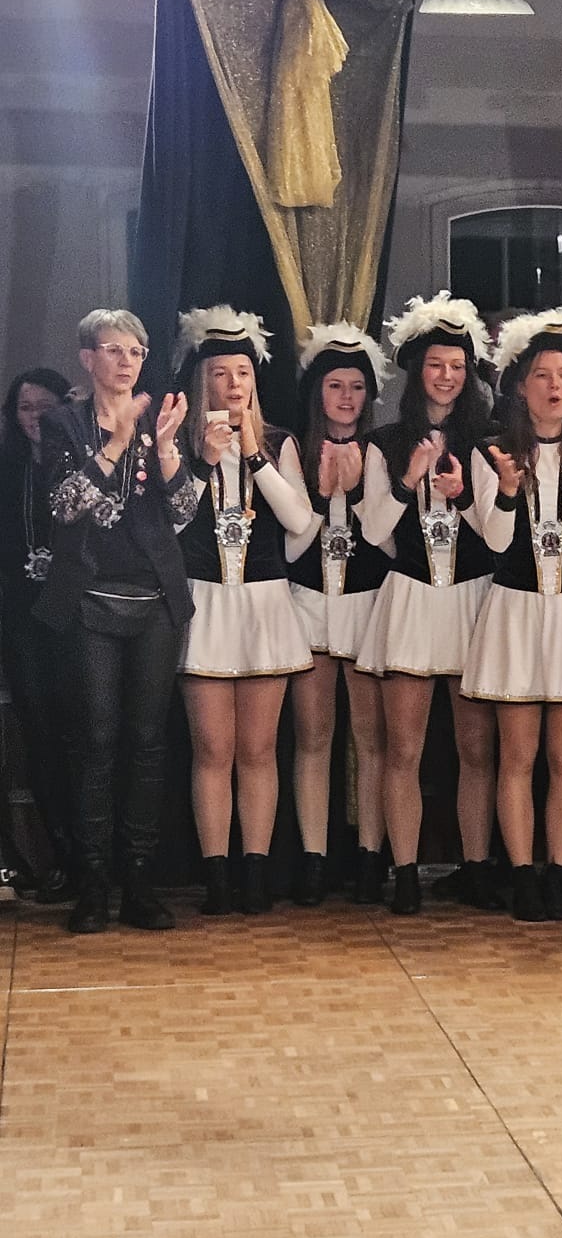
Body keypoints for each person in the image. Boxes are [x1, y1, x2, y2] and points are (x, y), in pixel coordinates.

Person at [35, 309, 196, 932]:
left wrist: (168, 451)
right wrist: (115, 443)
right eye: (114, 350)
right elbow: (64, 505)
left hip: (154, 600)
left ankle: (139, 881)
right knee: (97, 742)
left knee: (148, 743)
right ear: (87, 358)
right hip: (88, 601)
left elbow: (183, 513)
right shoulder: (63, 422)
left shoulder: (159, 419)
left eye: (137, 351)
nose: (127, 362)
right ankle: (93, 885)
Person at [461, 309, 562, 922]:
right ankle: (523, 875)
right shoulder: (491, 451)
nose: (555, 386)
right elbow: (497, 542)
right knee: (517, 756)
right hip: (516, 612)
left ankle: (559, 873)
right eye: (542, 375)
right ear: (520, 385)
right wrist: (507, 489)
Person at [356, 293, 497, 917]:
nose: (447, 376)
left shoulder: (487, 443)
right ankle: (406, 871)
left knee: (477, 750)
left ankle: (476, 868)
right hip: (412, 598)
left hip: (472, 599)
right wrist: (408, 478)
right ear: (417, 372)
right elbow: (373, 532)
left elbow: (498, 535)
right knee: (403, 749)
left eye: (457, 366)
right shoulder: (383, 443)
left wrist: (463, 494)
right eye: (436, 365)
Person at [177, 307, 316, 915]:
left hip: (264, 604)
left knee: (259, 749)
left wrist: (256, 456)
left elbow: (299, 522)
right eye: (220, 374)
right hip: (204, 603)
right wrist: (205, 463)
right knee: (213, 749)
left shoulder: (280, 442)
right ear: (201, 381)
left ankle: (255, 872)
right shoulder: (180, 441)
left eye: (242, 373)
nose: (233, 384)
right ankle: (216, 875)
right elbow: (169, 524)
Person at [285, 324, 392, 906]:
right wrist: (325, 494)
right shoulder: (294, 451)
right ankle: (313, 859)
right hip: (308, 604)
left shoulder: (383, 450)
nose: (347, 397)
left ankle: (372, 855)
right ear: (317, 392)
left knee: (371, 740)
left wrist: (360, 493)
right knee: (313, 736)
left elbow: (391, 543)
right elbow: (287, 549)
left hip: (368, 602)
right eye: (335, 385)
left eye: (356, 386)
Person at [0, 365, 74, 893]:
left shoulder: (77, 464)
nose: (35, 418)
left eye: (45, 408)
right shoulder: (6, 466)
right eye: (25, 408)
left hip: (76, 615)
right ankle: (59, 855)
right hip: (21, 618)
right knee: (40, 735)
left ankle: (95, 859)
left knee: (85, 734)